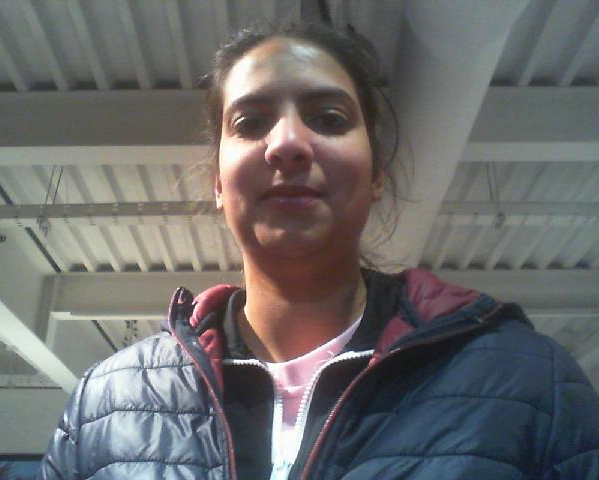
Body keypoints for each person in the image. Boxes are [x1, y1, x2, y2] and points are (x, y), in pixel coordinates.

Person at [38, 22, 599, 479]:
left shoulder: (528, 381)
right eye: (250, 122)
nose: (287, 143)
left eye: (329, 119)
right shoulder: (104, 407)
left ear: (376, 175)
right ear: (218, 182)